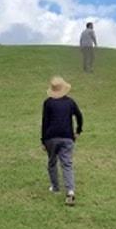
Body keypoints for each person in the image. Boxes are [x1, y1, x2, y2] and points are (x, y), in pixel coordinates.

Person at [41, 76, 83, 206]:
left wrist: (43, 140)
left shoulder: (48, 103)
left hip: (51, 138)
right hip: (67, 137)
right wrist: (78, 131)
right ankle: (70, 191)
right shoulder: (70, 102)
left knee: (52, 162)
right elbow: (79, 116)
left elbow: (45, 122)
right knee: (67, 164)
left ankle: (55, 187)